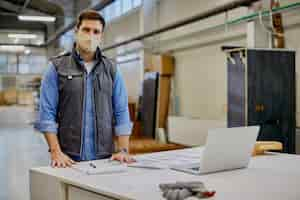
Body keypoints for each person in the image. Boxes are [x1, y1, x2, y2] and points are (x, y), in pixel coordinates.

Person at [35, 9, 135, 167]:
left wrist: (123, 150)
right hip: (68, 159)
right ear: (76, 32)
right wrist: (56, 152)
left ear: (101, 36)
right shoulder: (56, 68)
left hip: (105, 158)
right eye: (86, 30)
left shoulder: (112, 70)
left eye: (96, 32)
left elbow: (121, 111)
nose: (91, 36)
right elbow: (47, 114)